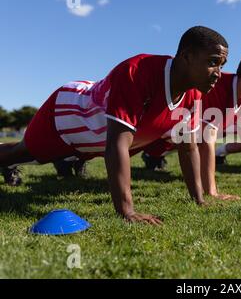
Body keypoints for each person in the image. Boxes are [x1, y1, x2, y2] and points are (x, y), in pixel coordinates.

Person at [0, 26, 229, 225]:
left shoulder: (193, 95)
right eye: (212, 62)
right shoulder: (137, 71)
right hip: (67, 114)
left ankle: (68, 160)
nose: (219, 73)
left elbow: (188, 148)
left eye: (222, 65)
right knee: (22, 153)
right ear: (187, 56)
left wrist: (199, 200)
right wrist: (127, 211)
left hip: (95, 141)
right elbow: (117, 144)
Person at [142, 46, 241, 198]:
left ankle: (153, 157)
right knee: (148, 153)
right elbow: (206, 140)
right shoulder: (218, 86)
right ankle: (151, 156)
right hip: (159, 136)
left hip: (180, 141)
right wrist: (211, 192)